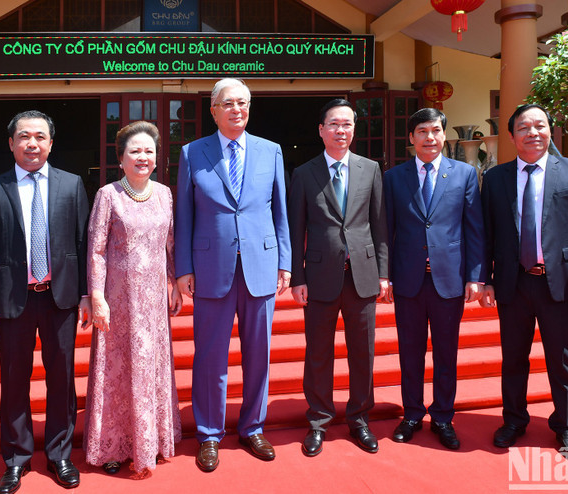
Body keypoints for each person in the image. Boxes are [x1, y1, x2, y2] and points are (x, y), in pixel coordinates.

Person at [0, 110, 90, 493]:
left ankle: (59, 454)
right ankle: (17, 459)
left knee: (62, 378)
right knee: (14, 380)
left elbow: (83, 245)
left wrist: (86, 294)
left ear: (51, 143)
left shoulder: (72, 185)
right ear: (11, 143)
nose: (32, 144)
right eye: (23, 137)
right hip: (12, 300)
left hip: (61, 298)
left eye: (39, 137)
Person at [175, 78, 291, 472]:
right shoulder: (193, 152)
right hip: (211, 270)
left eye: (243, 103)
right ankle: (209, 434)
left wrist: (285, 262)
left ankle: (252, 427)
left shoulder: (270, 151)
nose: (236, 110)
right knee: (210, 357)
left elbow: (280, 213)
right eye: (228, 103)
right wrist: (183, 269)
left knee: (259, 354)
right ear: (213, 110)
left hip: (260, 266)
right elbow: (185, 214)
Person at [480, 103, 568, 462]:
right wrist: (485, 279)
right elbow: (487, 235)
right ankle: (514, 420)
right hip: (512, 283)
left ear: (550, 130)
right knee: (513, 357)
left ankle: (566, 424)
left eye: (540, 126)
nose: (533, 133)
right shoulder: (496, 178)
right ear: (512, 135)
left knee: (561, 358)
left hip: (558, 283)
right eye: (524, 127)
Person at [287, 99, 388, 457]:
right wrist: (297, 277)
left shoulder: (370, 169)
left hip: (361, 275)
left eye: (347, 125)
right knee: (318, 353)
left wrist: (383, 273)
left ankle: (359, 418)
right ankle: (318, 420)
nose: (340, 131)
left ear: (354, 130)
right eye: (333, 124)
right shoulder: (303, 173)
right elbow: (295, 229)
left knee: (363, 353)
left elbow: (379, 225)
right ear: (321, 129)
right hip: (318, 277)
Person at [83, 121, 183, 474]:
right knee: (117, 370)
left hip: (154, 300)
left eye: (149, 151)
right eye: (135, 151)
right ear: (121, 159)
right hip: (118, 300)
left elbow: (171, 246)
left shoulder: (165, 194)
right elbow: (95, 250)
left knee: (151, 369)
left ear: (157, 158)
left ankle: (150, 441)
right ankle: (113, 444)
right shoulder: (108, 195)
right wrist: (97, 296)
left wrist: (173, 284)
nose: (143, 157)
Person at [383, 108, 485, 450]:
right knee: (409, 352)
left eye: (436, 130)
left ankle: (443, 416)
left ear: (444, 135)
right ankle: (411, 413)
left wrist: (475, 276)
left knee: (446, 353)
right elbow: (387, 231)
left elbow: (474, 229)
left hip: (449, 280)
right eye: (422, 131)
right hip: (409, 280)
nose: (430, 137)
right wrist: (385, 275)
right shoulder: (394, 177)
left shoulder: (465, 174)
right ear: (411, 138)